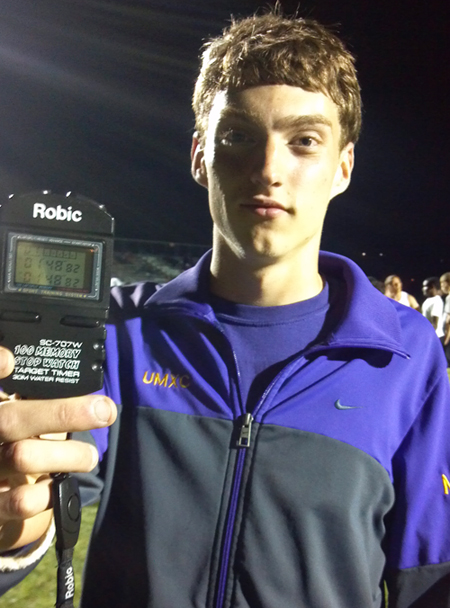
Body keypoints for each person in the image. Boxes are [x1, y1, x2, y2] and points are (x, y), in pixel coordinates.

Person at [1, 10, 450, 608]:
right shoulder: (119, 332)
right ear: (199, 156)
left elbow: (429, 578)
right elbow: (40, 491)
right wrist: (15, 524)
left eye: (304, 141)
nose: (268, 169)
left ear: (342, 168)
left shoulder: (405, 355)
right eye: (238, 135)